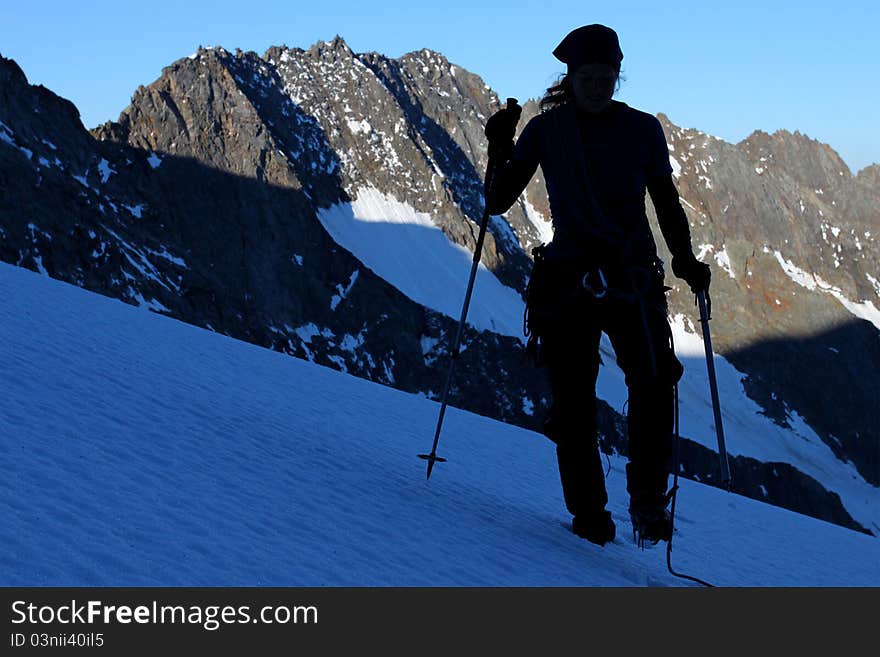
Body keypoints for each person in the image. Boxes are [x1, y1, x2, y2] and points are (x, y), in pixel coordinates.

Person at [484, 24, 710, 547]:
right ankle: (601, 515)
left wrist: (686, 258)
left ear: (617, 76)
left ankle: (632, 508)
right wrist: (501, 143)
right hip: (615, 279)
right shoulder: (559, 130)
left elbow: (667, 201)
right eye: (589, 77)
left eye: (606, 78)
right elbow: (498, 200)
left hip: (577, 282)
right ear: (571, 75)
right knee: (614, 394)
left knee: (602, 397)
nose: (598, 86)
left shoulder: (615, 129)